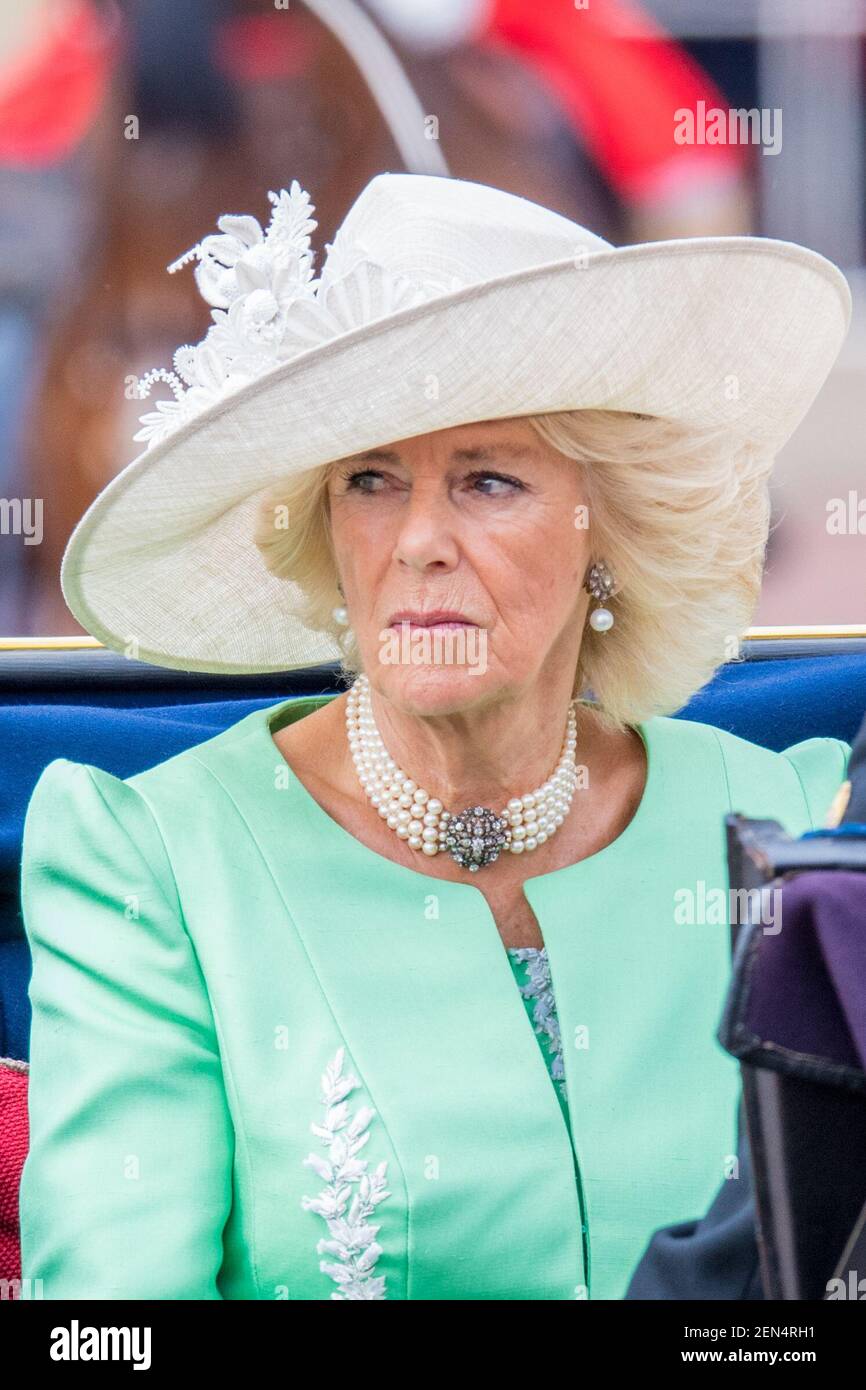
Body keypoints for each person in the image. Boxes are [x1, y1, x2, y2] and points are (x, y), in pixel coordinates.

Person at [18, 173, 853, 1300]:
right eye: (369, 480)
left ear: (604, 522)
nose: (417, 540)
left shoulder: (792, 832)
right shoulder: (155, 866)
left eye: (487, 480)